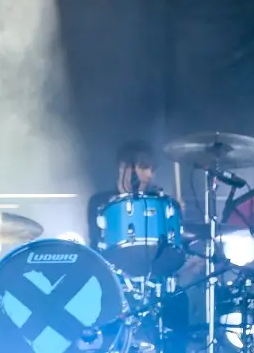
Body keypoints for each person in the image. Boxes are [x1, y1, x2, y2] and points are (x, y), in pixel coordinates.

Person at [87, 140, 191, 352]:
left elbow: (171, 248)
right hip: (114, 280)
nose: (149, 176)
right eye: (144, 168)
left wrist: (178, 217)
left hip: (153, 280)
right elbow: (96, 246)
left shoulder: (158, 201)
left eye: (151, 170)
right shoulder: (101, 201)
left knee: (180, 297)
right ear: (125, 166)